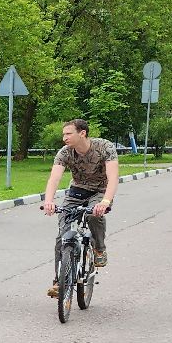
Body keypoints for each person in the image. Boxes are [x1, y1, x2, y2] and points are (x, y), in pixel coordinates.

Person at [42, 118, 117, 297]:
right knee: (62, 236)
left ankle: (99, 248)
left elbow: (113, 177)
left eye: (68, 134)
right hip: (77, 190)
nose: (64, 138)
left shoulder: (104, 147)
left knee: (93, 215)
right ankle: (59, 281)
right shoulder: (65, 153)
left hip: (101, 191)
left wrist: (105, 202)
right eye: (63, 134)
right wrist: (49, 200)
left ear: (82, 133)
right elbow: (54, 178)